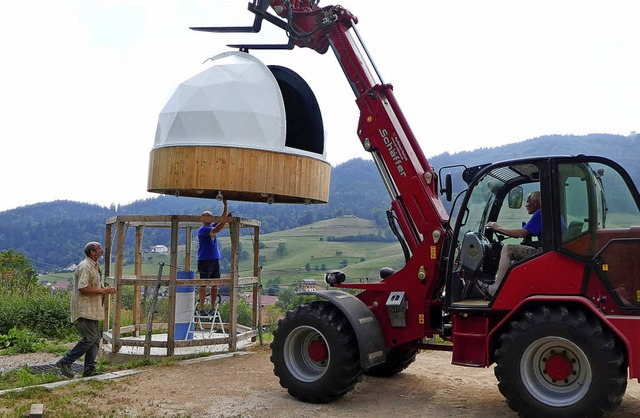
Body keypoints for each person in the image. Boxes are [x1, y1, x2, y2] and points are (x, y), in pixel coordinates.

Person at [56, 242, 116, 378]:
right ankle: (65, 362)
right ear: (92, 252)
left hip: (93, 308)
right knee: (90, 338)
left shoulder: (94, 266)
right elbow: (82, 288)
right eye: (99, 248)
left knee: (95, 339)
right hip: (84, 308)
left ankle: (89, 369)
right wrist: (103, 291)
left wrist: (103, 292)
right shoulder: (85, 266)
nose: (102, 250)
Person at [481, 191, 542, 298]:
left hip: (543, 251)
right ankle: (510, 290)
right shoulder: (549, 213)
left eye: (528, 202)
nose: (526, 205)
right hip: (545, 249)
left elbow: (522, 233)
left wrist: (497, 228)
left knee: (508, 248)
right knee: (513, 262)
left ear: (536, 203)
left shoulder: (540, 213)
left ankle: (496, 288)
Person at [197, 199, 231, 316]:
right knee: (203, 284)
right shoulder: (203, 230)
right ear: (203, 219)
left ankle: (212, 307)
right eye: (208, 216)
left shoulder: (210, 226)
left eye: (211, 216)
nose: (210, 218)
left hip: (214, 258)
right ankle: (201, 308)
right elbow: (218, 228)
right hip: (204, 259)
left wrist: (225, 206)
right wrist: (225, 220)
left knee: (215, 284)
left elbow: (220, 220)